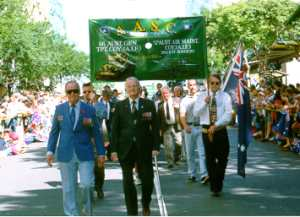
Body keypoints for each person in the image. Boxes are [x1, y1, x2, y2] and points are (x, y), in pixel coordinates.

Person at [47, 80, 105, 215]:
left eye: (75, 91)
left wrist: (101, 153)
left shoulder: (89, 109)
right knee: (68, 188)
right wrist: (50, 150)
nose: (72, 94)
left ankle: (87, 211)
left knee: (87, 185)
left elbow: (97, 132)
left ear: (79, 93)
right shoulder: (59, 109)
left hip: (85, 153)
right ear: (66, 93)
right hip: (65, 153)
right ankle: (71, 214)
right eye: (69, 91)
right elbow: (54, 132)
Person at [111, 77, 160, 216]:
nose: (132, 88)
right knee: (127, 182)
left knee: (147, 180)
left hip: (144, 148)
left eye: (135, 86)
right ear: (125, 89)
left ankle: (145, 203)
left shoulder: (149, 104)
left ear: (139, 88)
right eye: (129, 86)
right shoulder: (119, 106)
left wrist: (156, 146)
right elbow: (114, 130)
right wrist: (113, 150)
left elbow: (155, 127)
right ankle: (132, 212)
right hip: (125, 149)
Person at [193, 74, 232, 197]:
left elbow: (228, 114)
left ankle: (218, 181)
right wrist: (204, 103)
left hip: (219, 129)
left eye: (217, 83)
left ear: (220, 84)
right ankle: (214, 187)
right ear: (208, 84)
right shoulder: (201, 96)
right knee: (210, 159)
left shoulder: (225, 96)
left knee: (222, 158)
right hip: (206, 130)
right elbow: (196, 113)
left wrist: (217, 125)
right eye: (212, 83)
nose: (214, 85)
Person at [180, 80, 209, 184]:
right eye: (190, 85)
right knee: (190, 153)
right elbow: (182, 115)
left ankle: (204, 174)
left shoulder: (201, 97)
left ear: (196, 86)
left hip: (200, 126)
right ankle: (192, 174)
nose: (192, 87)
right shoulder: (184, 100)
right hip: (189, 127)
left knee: (202, 152)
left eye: (193, 85)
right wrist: (185, 126)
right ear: (187, 87)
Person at [82, 82, 106, 199]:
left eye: (89, 92)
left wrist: (93, 103)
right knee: (87, 167)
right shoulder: (79, 105)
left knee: (99, 167)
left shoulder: (100, 105)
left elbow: (101, 115)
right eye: (85, 92)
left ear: (93, 92)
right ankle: (89, 189)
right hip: (85, 140)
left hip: (97, 139)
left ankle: (99, 186)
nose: (87, 94)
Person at [158, 86, 182, 168]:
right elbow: (159, 118)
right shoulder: (160, 104)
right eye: (163, 94)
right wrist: (160, 129)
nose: (165, 95)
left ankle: (177, 159)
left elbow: (181, 113)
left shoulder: (176, 101)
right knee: (168, 146)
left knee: (179, 142)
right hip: (166, 126)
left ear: (170, 93)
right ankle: (170, 162)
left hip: (176, 125)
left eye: (166, 93)